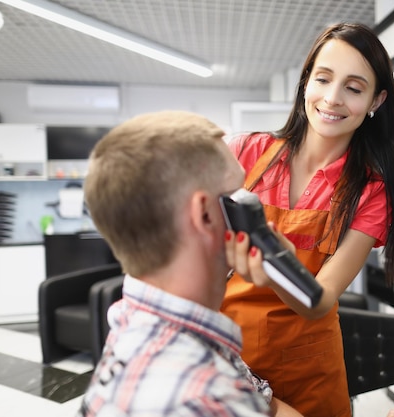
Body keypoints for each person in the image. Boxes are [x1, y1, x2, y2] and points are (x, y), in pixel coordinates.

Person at [222, 22, 394, 417]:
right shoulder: (244, 154)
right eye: (323, 79)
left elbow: (320, 300)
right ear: (306, 81)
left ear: (377, 100)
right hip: (228, 356)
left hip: (308, 367)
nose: (332, 98)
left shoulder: (370, 191)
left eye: (354, 88)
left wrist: (279, 266)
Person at [76, 110, 303, 417]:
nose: (256, 207)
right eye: (239, 194)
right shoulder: (208, 398)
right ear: (206, 214)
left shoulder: (135, 317)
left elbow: (268, 406)